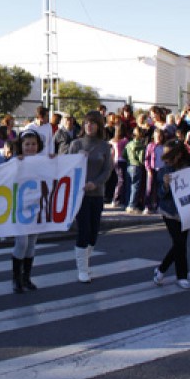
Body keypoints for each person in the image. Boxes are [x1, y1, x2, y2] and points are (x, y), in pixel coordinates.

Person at [68, 110, 113, 283]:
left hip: (97, 193)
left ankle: (86, 261)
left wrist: (96, 183)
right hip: (80, 195)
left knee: (94, 233)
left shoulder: (104, 146)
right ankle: (82, 269)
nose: (89, 125)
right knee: (83, 231)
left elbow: (107, 170)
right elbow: (67, 166)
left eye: (93, 123)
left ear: (99, 126)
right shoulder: (76, 144)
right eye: (87, 122)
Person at [7, 129, 46, 293]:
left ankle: (26, 277)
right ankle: (16, 278)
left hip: (36, 207)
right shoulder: (15, 162)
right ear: (21, 146)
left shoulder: (42, 161)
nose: (30, 147)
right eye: (27, 144)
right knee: (21, 242)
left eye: (33, 144)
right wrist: (15, 163)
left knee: (31, 244)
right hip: (19, 208)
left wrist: (54, 161)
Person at [153, 140, 190, 290]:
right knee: (179, 243)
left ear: (179, 155)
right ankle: (178, 275)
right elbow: (160, 195)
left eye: (170, 155)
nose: (167, 159)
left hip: (186, 211)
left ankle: (165, 270)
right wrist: (165, 185)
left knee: (181, 243)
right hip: (169, 211)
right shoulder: (163, 171)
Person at [144, 127, 166, 215]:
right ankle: (147, 206)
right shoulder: (150, 146)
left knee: (159, 188)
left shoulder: (164, 146)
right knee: (149, 188)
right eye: (157, 136)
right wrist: (148, 169)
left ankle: (158, 206)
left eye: (160, 136)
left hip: (161, 169)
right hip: (152, 169)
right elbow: (146, 159)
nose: (158, 138)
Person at [124, 126, 146, 214]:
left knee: (128, 185)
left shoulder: (128, 144)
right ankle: (132, 205)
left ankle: (127, 204)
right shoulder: (141, 146)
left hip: (129, 165)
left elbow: (124, 154)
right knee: (135, 187)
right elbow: (141, 158)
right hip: (137, 166)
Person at [109, 122, 129, 208]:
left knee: (120, 180)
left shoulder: (113, 141)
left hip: (116, 161)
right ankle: (116, 199)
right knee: (121, 180)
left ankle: (119, 199)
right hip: (122, 161)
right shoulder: (125, 140)